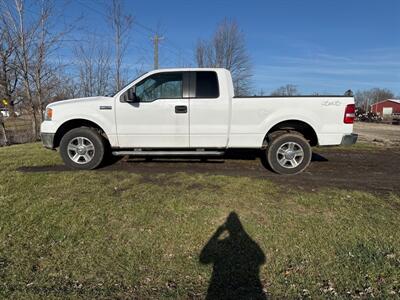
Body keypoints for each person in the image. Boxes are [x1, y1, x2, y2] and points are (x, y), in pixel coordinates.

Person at [200, 212, 266, 299]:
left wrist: (217, 233)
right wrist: (245, 235)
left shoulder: (221, 245)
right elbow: (261, 259)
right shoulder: (249, 246)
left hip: (219, 290)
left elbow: (203, 258)